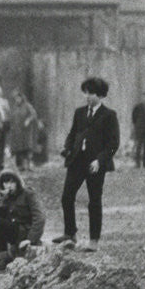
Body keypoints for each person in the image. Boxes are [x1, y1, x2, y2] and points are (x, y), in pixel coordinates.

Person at [54, 76, 120, 252]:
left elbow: (113, 144)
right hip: (77, 161)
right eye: (86, 93)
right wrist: (67, 148)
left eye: (91, 93)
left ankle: (94, 240)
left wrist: (100, 160)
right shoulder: (79, 113)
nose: (88, 96)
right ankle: (70, 234)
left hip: (95, 164)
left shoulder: (109, 115)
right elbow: (73, 133)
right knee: (67, 196)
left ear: (101, 95)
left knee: (94, 201)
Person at [0, 168, 45, 269]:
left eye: (12, 182)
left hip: (24, 231)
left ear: (18, 182)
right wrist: (2, 200)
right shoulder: (6, 198)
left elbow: (40, 217)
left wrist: (31, 239)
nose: (9, 185)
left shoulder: (28, 194)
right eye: (5, 182)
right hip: (12, 231)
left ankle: (3, 257)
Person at [7, 88, 39, 172]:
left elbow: (33, 114)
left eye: (18, 98)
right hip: (17, 132)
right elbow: (11, 118)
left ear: (21, 98)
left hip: (25, 131)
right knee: (18, 149)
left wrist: (28, 120)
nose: (17, 100)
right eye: (15, 99)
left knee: (27, 148)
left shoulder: (27, 106)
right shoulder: (14, 107)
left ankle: (28, 165)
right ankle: (20, 165)